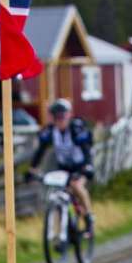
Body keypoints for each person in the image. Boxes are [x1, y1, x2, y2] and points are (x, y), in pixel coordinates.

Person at [29, 98, 96, 239]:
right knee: (59, 196)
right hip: (64, 168)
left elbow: (86, 148)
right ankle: (61, 234)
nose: (59, 120)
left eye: (62, 116)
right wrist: (32, 169)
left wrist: (88, 166)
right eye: (56, 117)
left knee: (77, 186)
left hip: (81, 166)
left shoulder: (76, 128)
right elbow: (40, 151)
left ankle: (89, 219)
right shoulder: (50, 131)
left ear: (68, 115)